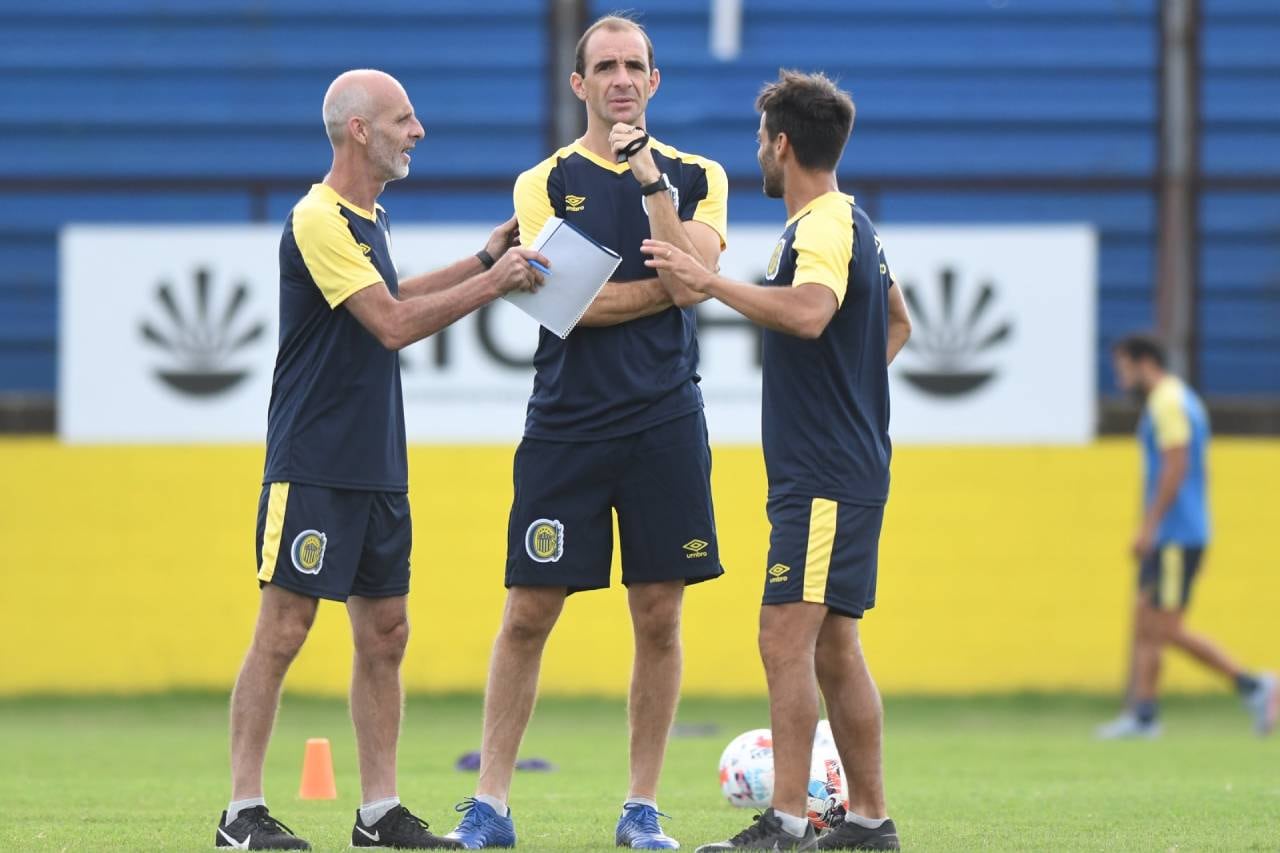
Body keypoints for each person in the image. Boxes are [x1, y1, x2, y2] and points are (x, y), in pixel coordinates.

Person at [214, 68, 547, 851]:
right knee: (285, 626)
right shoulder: (318, 218)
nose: (418, 130)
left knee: (386, 632)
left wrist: (478, 260)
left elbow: (390, 290)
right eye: (404, 118)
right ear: (360, 129)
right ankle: (241, 812)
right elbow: (392, 322)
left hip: (375, 465)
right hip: (315, 461)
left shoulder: (368, 219)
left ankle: (377, 812)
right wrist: (495, 284)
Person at [445, 14, 728, 852]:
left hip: (665, 420)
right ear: (579, 85)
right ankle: (490, 803)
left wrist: (649, 186)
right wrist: (668, 288)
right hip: (567, 424)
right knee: (529, 610)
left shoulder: (695, 173)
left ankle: (641, 807)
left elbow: (695, 267)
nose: (620, 79)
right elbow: (563, 303)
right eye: (603, 66)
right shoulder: (542, 182)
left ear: (655, 80)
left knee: (659, 616)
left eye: (634, 65)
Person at [643, 70, 911, 851]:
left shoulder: (821, 227)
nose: (757, 152)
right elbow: (897, 322)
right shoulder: (852, 221)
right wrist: (852, 391)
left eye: (761, 140)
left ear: (782, 143)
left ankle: (787, 821)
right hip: (840, 466)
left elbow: (810, 312)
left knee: (782, 637)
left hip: (826, 474)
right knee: (833, 644)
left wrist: (709, 280)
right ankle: (868, 822)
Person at [1096, 335, 1276, 740]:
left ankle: (1254, 685)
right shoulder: (1174, 400)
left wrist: (1150, 525)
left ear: (1144, 363)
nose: (1119, 376)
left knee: (1165, 627)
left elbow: (1176, 466)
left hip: (1176, 535)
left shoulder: (1168, 402)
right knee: (1145, 621)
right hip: (1173, 533)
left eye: (1123, 366)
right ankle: (1143, 715)